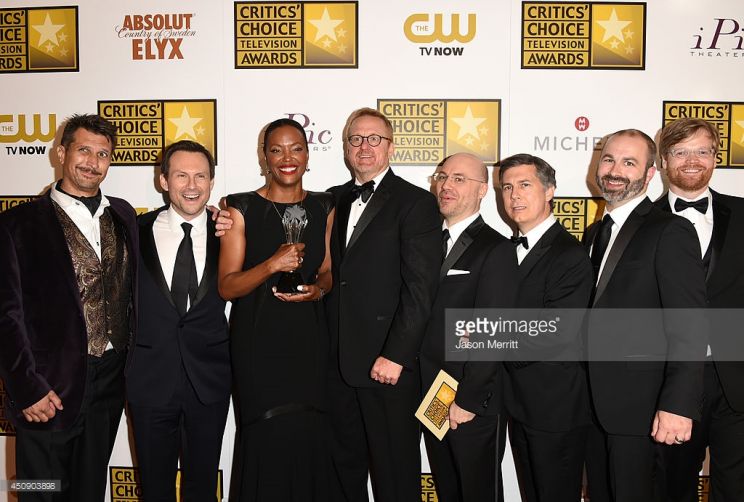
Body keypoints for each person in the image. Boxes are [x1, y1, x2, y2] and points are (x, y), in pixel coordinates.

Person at [0, 114, 138, 501]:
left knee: (88, 490)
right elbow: (6, 316)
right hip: (47, 389)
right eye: (84, 150)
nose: (92, 162)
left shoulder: (124, 215)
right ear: (61, 153)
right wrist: (26, 388)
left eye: (103, 154)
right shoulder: (16, 224)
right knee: (38, 489)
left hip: (109, 382)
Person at [583, 129, 708, 501]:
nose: (614, 170)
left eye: (629, 162)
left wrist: (678, 404)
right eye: (608, 159)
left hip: (644, 410)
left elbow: (690, 324)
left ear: (651, 173)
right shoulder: (593, 234)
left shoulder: (670, 230)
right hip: (592, 409)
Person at [325, 108, 441, 502]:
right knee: (343, 470)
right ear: (346, 148)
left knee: (395, 473)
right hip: (336, 364)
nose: (364, 146)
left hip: (387, 367)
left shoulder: (416, 202)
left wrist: (396, 355)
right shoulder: (331, 199)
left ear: (391, 147)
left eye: (374, 139)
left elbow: (421, 289)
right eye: (356, 139)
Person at [219, 118, 335, 501]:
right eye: (276, 150)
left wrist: (318, 291)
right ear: (264, 157)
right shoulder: (240, 207)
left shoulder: (324, 206)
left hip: (310, 342)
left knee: (309, 436)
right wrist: (271, 264)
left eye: (296, 148)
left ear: (308, 155)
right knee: (266, 438)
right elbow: (227, 286)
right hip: (258, 345)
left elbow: (327, 271)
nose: (287, 158)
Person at [127, 140, 230, 501]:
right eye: (181, 175)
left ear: (211, 183)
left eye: (200, 176)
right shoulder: (133, 231)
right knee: (154, 489)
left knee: (202, 488)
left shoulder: (229, 233)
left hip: (210, 380)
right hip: (149, 380)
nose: (191, 185)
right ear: (163, 180)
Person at [419, 153, 518, 502]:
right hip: (431, 394)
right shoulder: (425, 242)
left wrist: (468, 399)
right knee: (448, 488)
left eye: (459, 179)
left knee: (478, 492)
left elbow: (494, 330)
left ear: (482, 190)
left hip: (470, 398)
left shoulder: (496, 248)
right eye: (442, 176)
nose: (446, 185)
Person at [655, 118, 744, 501]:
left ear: (715, 157)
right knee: (671, 489)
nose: (692, 160)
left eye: (702, 151)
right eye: (681, 152)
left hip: (736, 380)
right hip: (669, 382)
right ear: (663, 160)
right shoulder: (640, 224)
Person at [498, 154, 593, 502]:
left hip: (555, 409)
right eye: (507, 187)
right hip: (517, 402)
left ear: (550, 190)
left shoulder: (569, 254)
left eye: (525, 185)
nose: (514, 195)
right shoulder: (504, 251)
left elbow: (554, 333)